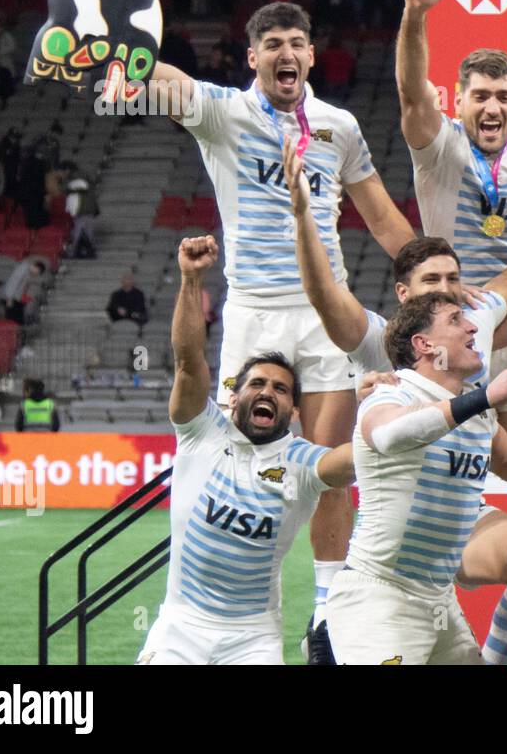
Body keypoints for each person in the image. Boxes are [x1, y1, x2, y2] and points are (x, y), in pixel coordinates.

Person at [65, 0, 416, 658]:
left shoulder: (340, 127)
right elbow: (143, 71)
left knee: (322, 464)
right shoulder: (221, 112)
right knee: (237, 461)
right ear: (253, 57)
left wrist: (422, 276)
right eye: (272, 44)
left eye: (298, 42)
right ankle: (212, 613)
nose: (286, 53)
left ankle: (325, 615)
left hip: (326, 315)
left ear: (312, 56)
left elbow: (380, 216)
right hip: (254, 311)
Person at [286, 140, 507, 666]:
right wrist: (304, 217)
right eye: (434, 284)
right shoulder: (383, 353)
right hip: (389, 549)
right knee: (328, 471)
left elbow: (503, 452)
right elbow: (325, 297)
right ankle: (324, 612)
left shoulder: (465, 327)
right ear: (407, 299)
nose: (451, 295)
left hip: (446, 534)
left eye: (455, 282)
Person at [137, 235, 355, 665]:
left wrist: (396, 401)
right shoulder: (203, 433)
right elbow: (187, 359)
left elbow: (360, 456)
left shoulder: (302, 462)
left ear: (294, 410)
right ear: (233, 396)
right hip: (181, 627)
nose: (268, 392)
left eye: (280, 388)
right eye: (257, 383)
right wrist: (191, 281)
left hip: (253, 638)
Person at [324, 292, 507, 665]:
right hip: (379, 597)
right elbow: (387, 435)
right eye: (456, 319)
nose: (473, 326)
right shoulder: (392, 392)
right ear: (424, 344)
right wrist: (484, 399)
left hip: (438, 601)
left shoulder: (474, 406)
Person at [395, 0, 507, 287]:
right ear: (458, 103)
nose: (492, 108)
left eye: (503, 97)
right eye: (480, 96)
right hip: (454, 307)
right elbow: (411, 92)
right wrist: (415, 13)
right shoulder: (441, 146)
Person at [64, 165, 98, 259]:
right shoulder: (88, 181)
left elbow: (69, 193)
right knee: (89, 232)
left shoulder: (74, 181)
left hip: (80, 210)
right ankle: (91, 252)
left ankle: (73, 253)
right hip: (89, 209)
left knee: (77, 232)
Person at [0, 258, 46, 325]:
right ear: (36, 268)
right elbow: (13, 283)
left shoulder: (27, 272)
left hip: (16, 298)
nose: (35, 274)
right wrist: (9, 299)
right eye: (37, 272)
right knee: (12, 320)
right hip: (11, 298)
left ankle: (18, 332)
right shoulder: (23, 269)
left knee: (19, 319)